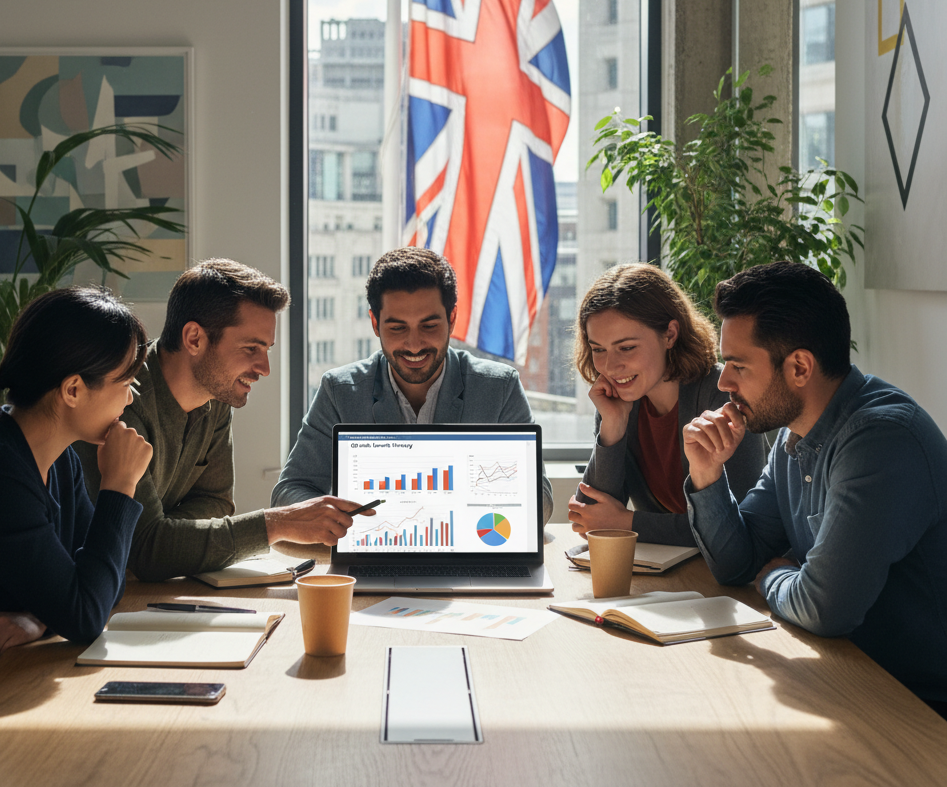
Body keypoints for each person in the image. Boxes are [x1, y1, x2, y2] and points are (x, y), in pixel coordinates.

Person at [683, 262, 947, 717]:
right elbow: (736, 562)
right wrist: (708, 474)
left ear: (800, 366)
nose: (723, 383)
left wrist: (770, 578)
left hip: (918, 706)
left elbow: (825, 609)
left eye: (738, 366)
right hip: (849, 677)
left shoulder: (882, 440)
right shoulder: (794, 436)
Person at [0, 287, 152, 724]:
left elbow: (105, 585)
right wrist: (120, 485)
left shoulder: (57, 457)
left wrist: (37, 617)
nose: (130, 398)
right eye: (125, 382)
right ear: (72, 389)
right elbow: (88, 613)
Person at [76, 258, 373, 582]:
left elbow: (217, 504)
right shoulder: (118, 400)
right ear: (194, 339)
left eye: (267, 350)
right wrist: (277, 523)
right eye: (251, 348)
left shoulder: (215, 398)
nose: (264, 368)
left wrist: (169, 534)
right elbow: (147, 550)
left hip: (151, 590)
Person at [272, 247, 554, 520]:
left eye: (429, 326)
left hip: (466, 555)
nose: (414, 344)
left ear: (452, 318)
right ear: (374, 323)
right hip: (373, 551)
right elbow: (288, 493)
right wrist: (336, 519)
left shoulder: (499, 388)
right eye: (397, 328)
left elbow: (540, 502)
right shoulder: (339, 390)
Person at [567, 263, 767, 547]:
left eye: (626, 347)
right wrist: (612, 426)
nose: (610, 366)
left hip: (731, 579)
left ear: (670, 334)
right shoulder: (621, 402)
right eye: (598, 349)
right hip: (666, 574)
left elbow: (738, 528)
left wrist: (627, 523)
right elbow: (588, 516)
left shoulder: (723, 392)